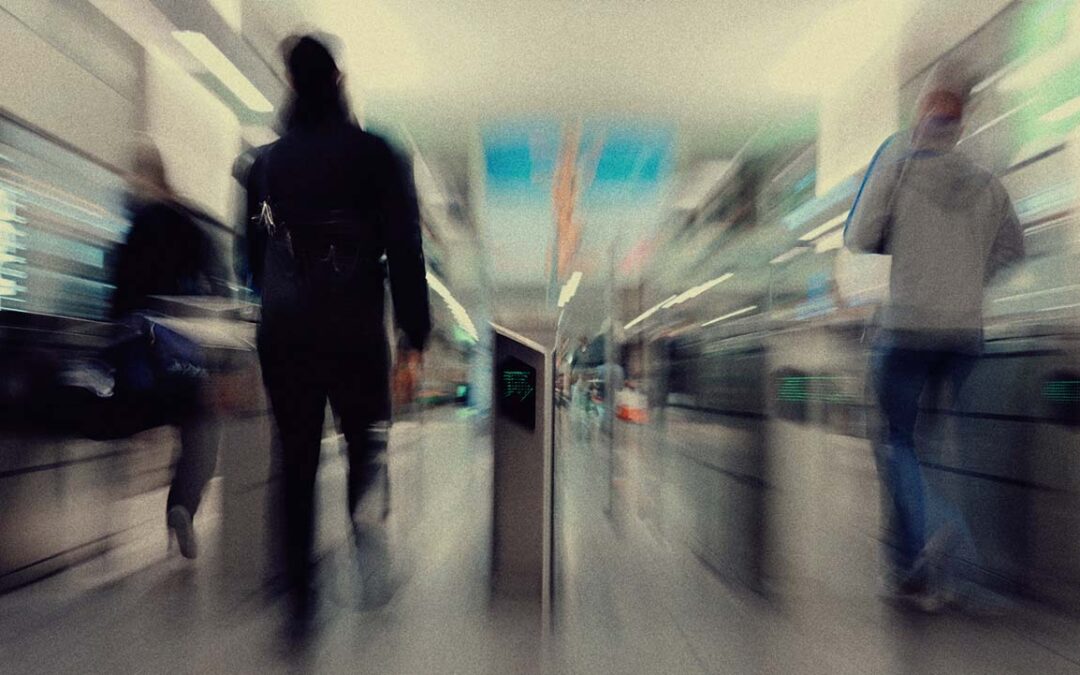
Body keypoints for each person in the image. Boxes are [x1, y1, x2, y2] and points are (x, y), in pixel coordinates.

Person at [240, 34, 430, 629]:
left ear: (291, 85)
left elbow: (247, 259)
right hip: (353, 328)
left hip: (287, 333)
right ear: (340, 81)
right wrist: (413, 338)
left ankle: (298, 602)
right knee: (364, 441)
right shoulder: (378, 155)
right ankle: (366, 537)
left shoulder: (263, 165)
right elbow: (405, 249)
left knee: (293, 459)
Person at [844, 61, 1024, 609]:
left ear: (924, 114)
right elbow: (1014, 250)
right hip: (966, 335)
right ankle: (922, 577)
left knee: (896, 443)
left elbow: (859, 235)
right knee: (943, 451)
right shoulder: (987, 182)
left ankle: (932, 529)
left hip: (908, 329)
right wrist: (969, 278)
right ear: (963, 122)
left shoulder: (898, 165)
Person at [110, 140, 228, 560]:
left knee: (122, 421)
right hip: (182, 360)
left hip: (136, 369)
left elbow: (116, 303)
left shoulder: (131, 230)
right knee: (201, 431)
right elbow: (216, 290)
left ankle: (108, 530)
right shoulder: (188, 225)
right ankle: (182, 505)